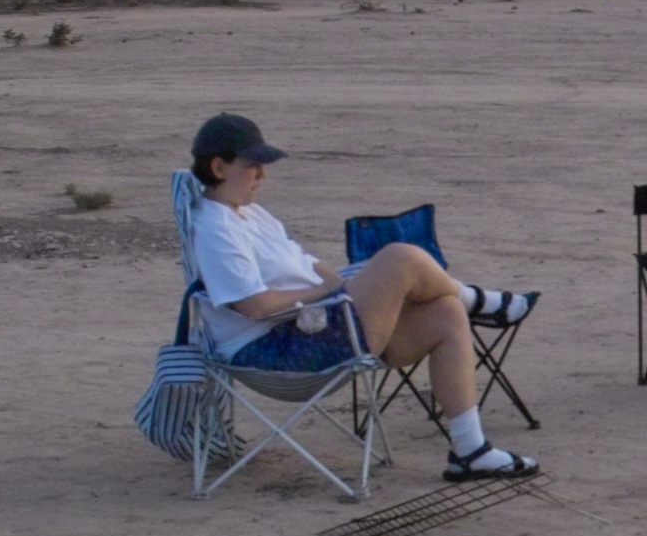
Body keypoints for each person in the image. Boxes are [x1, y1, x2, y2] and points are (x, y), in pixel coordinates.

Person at [186, 113, 540, 482]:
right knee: (399, 258)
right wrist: (328, 293)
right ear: (219, 167)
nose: (263, 174)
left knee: (446, 313)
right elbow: (254, 305)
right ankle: (483, 303)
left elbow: (307, 262)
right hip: (277, 352)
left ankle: (471, 452)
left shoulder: (251, 214)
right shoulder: (215, 228)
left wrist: (345, 287)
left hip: (314, 325)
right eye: (253, 165)